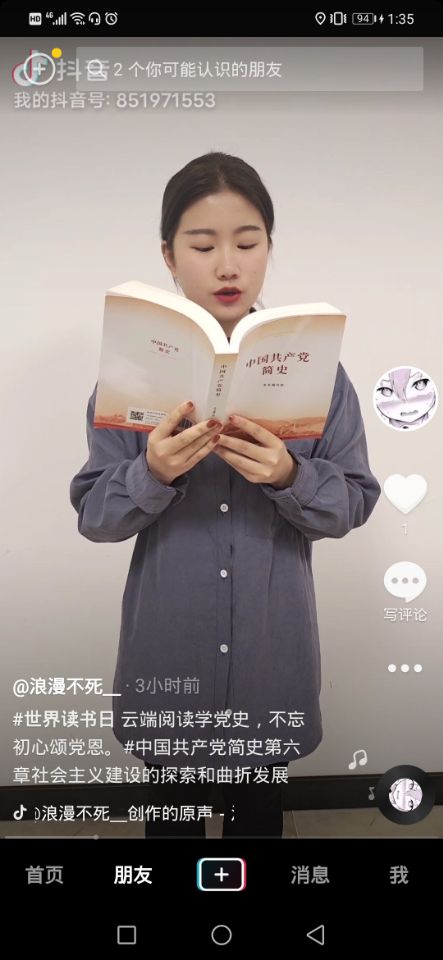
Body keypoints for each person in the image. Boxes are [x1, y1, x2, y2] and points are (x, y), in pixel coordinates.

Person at [69, 151, 381, 838]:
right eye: (203, 246)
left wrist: (289, 476)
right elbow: (95, 515)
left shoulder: (320, 377)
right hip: (169, 657)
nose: (228, 266)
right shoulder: (128, 380)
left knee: (256, 830)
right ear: (169, 256)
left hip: (270, 661)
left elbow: (353, 501)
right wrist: (151, 473)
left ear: (269, 248)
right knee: (170, 833)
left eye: (247, 243)